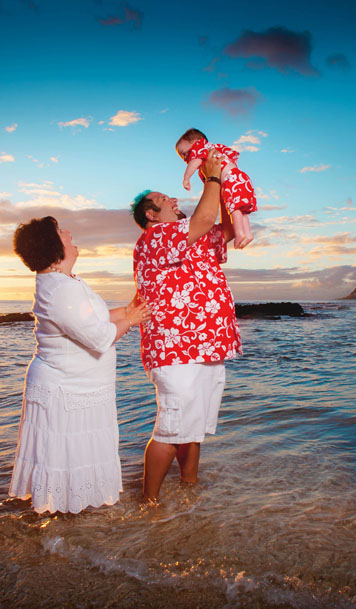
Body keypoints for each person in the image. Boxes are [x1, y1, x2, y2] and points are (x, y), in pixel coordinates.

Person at [9, 216, 150, 514]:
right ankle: (61, 530)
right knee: (65, 456)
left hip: (75, 385)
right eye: (61, 232)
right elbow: (98, 336)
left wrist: (126, 310)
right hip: (67, 390)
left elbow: (90, 318)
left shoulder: (63, 282)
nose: (69, 233)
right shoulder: (61, 290)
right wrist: (131, 320)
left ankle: (66, 523)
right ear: (53, 246)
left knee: (69, 458)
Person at [131, 150, 241, 502]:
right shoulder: (155, 239)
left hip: (206, 346)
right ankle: (148, 506)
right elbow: (206, 216)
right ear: (152, 214)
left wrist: (226, 177)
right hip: (175, 350)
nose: (174, 199)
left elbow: (223, 226)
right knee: (171, 428)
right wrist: (211, 177)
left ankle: (190, 492)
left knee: (191, 429)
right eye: (165, 199)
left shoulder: (188, 239)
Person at [175, 128, 257, 249]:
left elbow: (195, 162)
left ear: (194, 141)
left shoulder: (200, 149)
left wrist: (186, 178)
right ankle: (248, 234)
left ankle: (240, 233)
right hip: (240, 177)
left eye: (184, 153)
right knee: (240, 209)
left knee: (234, 209)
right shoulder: (213, 150)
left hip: (231, 179)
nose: (185, 158)